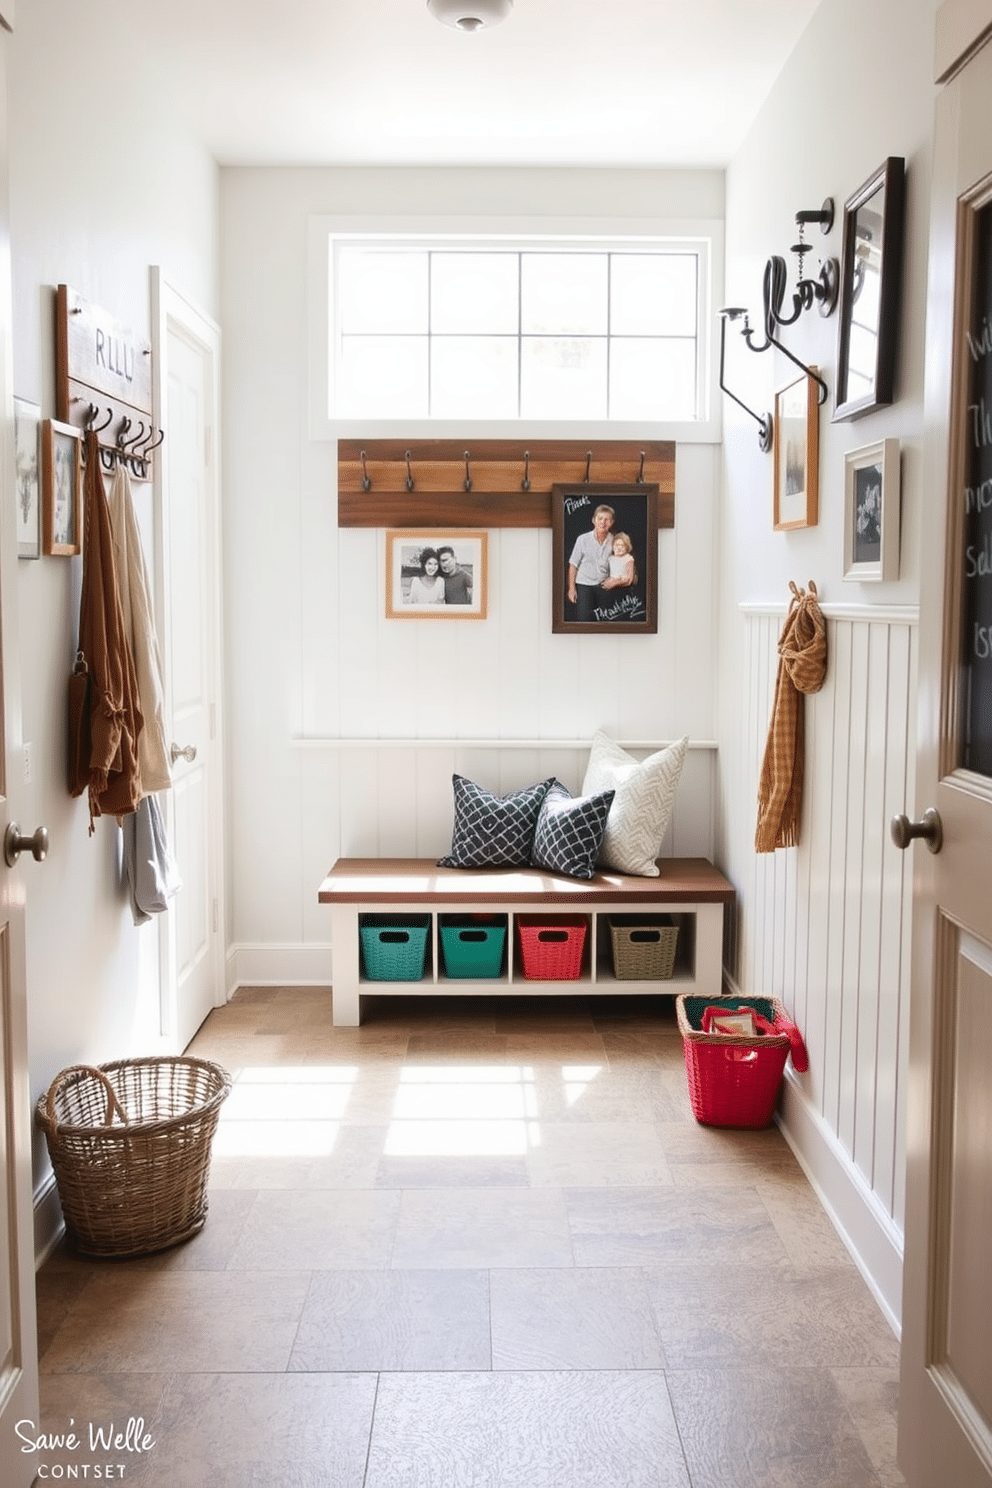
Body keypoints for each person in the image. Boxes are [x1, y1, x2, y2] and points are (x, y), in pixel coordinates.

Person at [567, 503, 615, 620]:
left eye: (607, 519)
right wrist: (571, 588)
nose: (603, 522)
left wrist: (615, 581)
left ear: (612, 523)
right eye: (600, 519)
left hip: (604, 586)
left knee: (606, 621)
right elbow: (573, 565)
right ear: (593, 520)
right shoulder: (582, 539)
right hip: (584, 585)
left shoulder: (614, 541)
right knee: (584, 620)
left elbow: (620, 564)